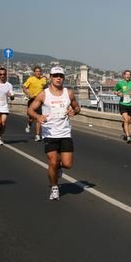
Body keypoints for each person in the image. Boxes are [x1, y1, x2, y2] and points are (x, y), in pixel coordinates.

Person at [28, 66, 80, 201]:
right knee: (53, 161)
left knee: (67, 164)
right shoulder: (44, 94)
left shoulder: (68, 93)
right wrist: (38, 117)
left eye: (61, 76)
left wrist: (73, 112)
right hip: (49, 133)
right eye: (56, 75)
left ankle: (58, 168)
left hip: (65, 133)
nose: (58, 78)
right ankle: (54, 187)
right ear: (50, 77)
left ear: (63, 78)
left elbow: (77, 107)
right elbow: (30, 110)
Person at [114, 69, 131, 143]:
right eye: (126, 74)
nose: (128, 76)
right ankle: (128, 137)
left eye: (129, 74)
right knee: (126, 119)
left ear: (130, 76)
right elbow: (115, 90)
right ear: (124, 75)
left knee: (128, 121)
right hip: (123, 104)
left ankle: (123, 125)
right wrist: (118, 94)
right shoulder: (120, 83)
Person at [23, 66, 48, 141]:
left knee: (39, 118)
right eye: (36, 71)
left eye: (39, 71)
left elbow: (46, 88)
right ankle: (29, 124)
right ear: (34, 72)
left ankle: (37, 135)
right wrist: (29, 94)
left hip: (40, 101)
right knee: (31, 118)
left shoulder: (43, 79)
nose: (38, 73)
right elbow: (24, 88)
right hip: (32, 100)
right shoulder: (30, 79)